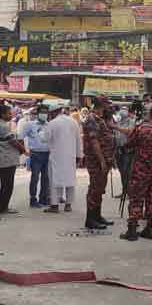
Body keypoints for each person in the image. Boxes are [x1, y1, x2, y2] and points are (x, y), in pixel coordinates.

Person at [119, 101, 152, 241]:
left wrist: (125, 149)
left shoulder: (143, 127)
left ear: (151, 113)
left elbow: (129, 144)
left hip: (142, 169)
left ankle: (132, 230)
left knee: (136, 197)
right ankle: (151, 228)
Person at [80, 97, 117, 230]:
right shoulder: (92, 119)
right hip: (96, 161)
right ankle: (90, 219)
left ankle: (97, 216)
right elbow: (94, 142)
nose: (109, 107)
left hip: (104, 160)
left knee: (100, 189)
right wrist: (101, 160)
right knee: (95, 189)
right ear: (101, 105)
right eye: (107, 104)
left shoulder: (100, 119)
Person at [46, 107, 83, 213]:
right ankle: (68, 205)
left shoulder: (52, 123)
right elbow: (78, 140)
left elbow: (45, 138)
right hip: (70, 156)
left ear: (53, 112)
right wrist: (79, 155)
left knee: (54, 181)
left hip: (56, 156)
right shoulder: (73, 122)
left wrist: (41, 132)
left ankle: (54, 205)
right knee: (70, 180)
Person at [0, 104, 24, 214]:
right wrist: (24, 150)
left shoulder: (0, 124)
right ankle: (3, 207)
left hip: (5, 157)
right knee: (7, 184)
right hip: (6, 158)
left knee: (6, 184)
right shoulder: (2, 126)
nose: (11, 115)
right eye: (9, 113)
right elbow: (13, 141)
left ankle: (3, 206)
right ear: (2, 114)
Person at [21, 105, 51, 207]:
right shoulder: (30, 125)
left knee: (46, 178)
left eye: (46, 112)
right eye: (42, 112)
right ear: (38, 114)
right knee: (35, 178)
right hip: (35, 154)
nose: (44, 114)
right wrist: (24, 151)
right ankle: (33, 200)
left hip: (47, 154)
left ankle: (44, 198)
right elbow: (20, 137)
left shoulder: (49, 125)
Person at [113, 104, 137, 195]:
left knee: (127, 171)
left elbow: (130, 131)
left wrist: (116, 127)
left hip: (127, 150)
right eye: (121, 109)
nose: (122, 112)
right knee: (122, 172)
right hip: (118, 150)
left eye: (125, 109)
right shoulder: (117, 122)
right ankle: (124, 191)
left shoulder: (131, 121)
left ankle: (130, 192)